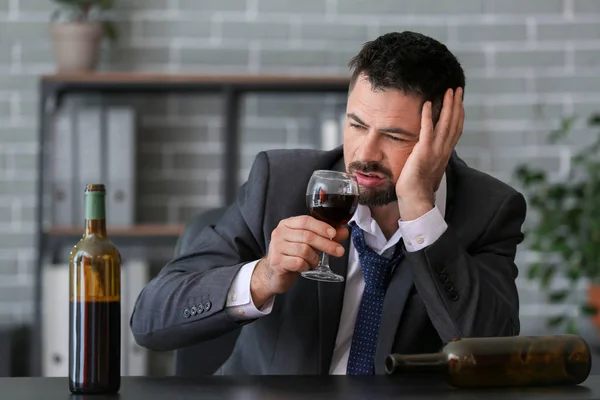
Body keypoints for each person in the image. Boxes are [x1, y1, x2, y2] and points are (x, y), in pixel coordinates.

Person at [130, 31, 527, 375]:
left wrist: (421, 210)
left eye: (394, 136)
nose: (365, 153)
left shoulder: (489, 211)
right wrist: (262, 277)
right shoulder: (280, 183)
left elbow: (491, 350)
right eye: (356, 124)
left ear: (443, 135)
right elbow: (150, 319)